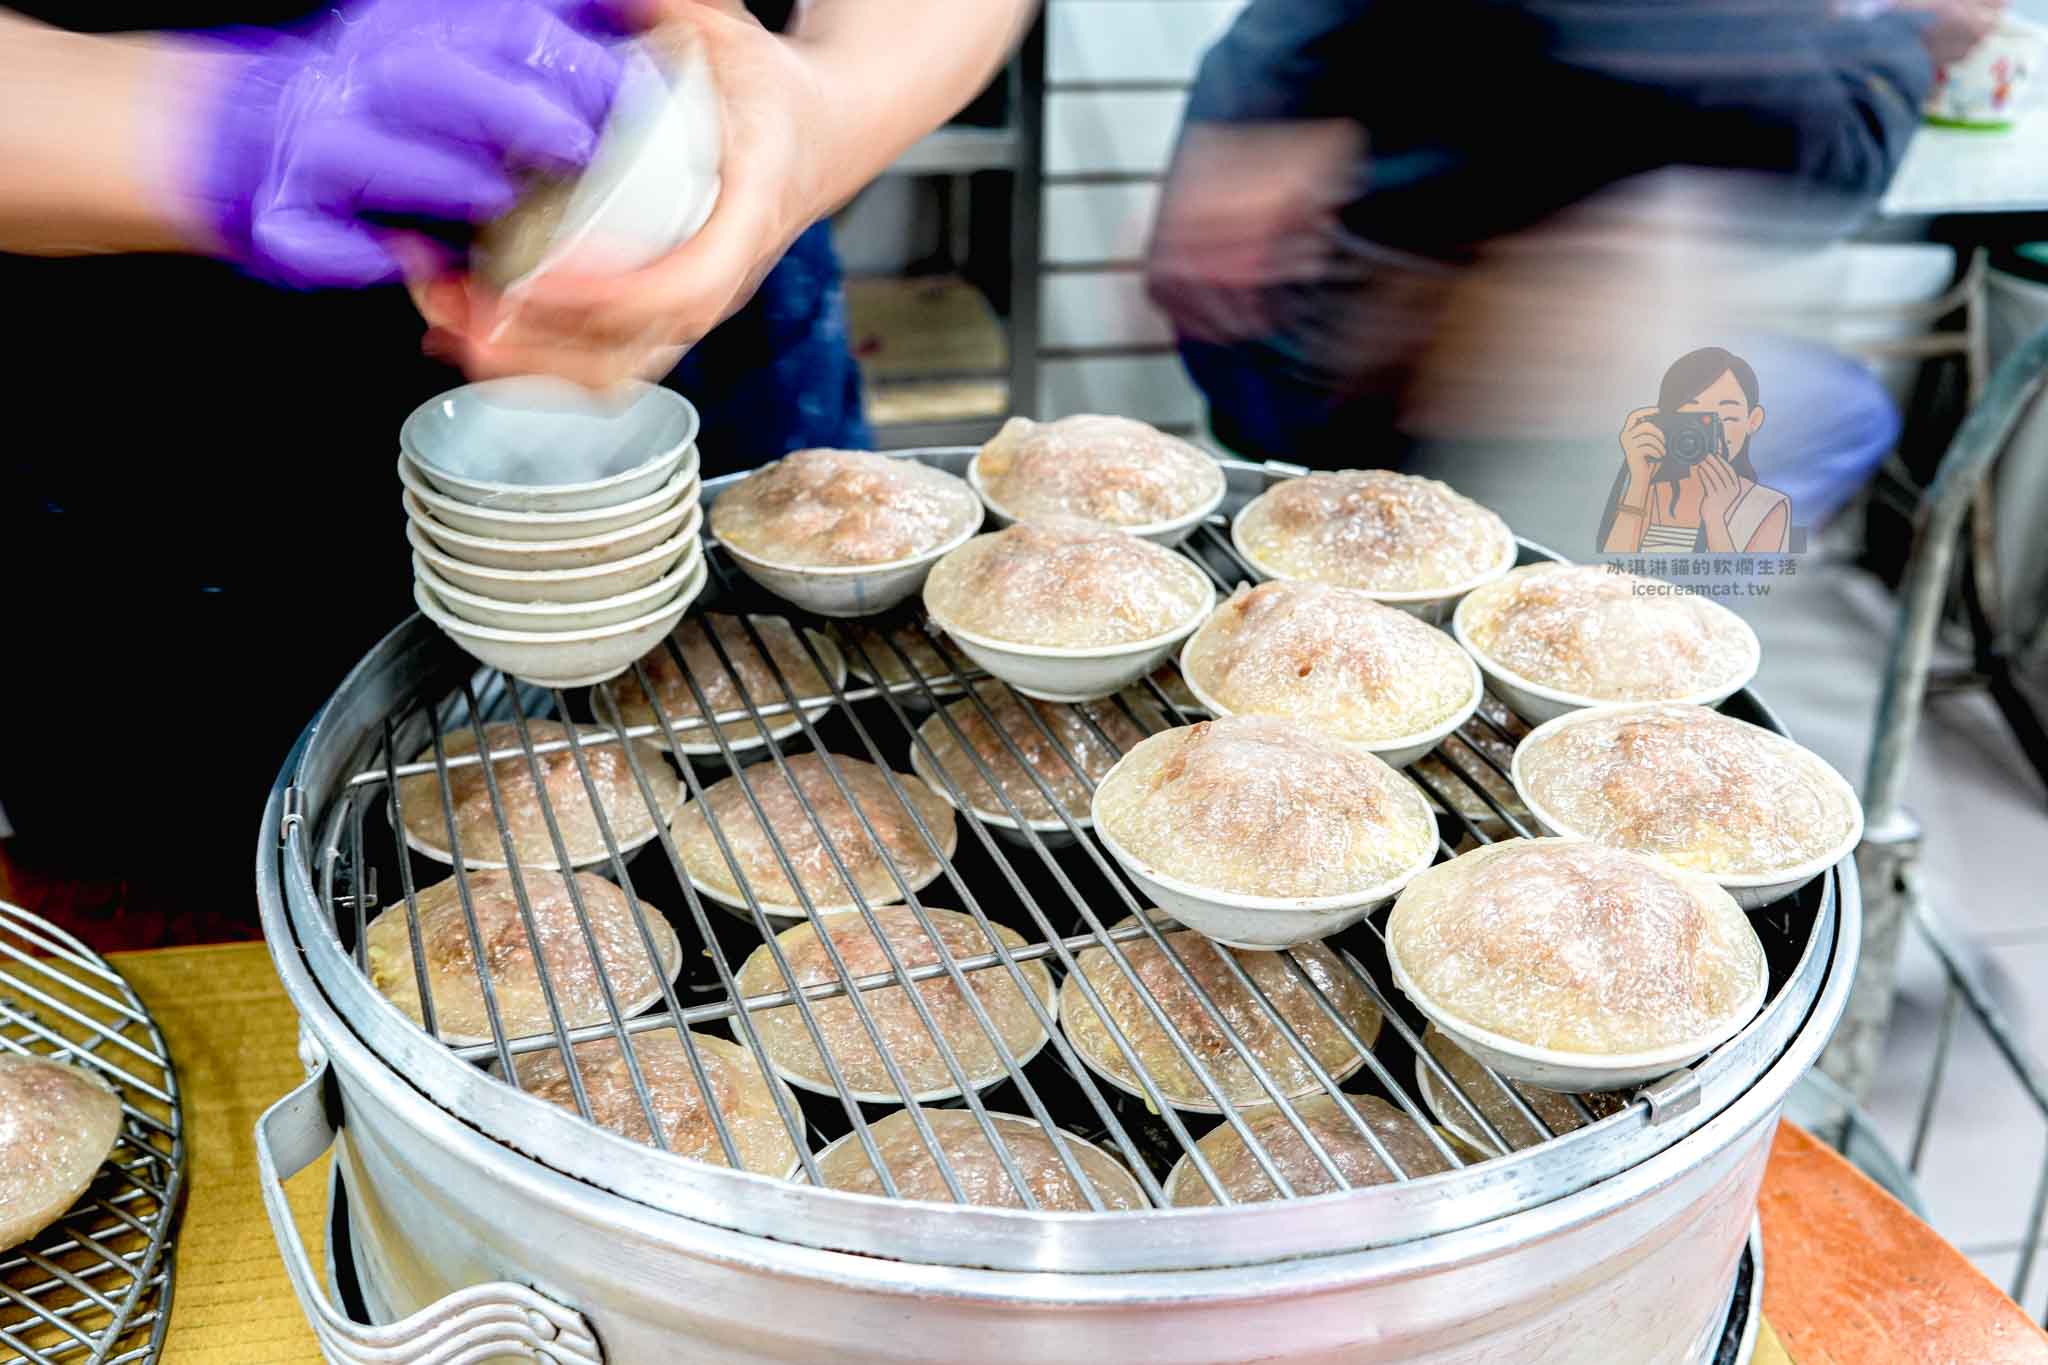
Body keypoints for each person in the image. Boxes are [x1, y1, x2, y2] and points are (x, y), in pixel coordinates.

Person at [0, 0, 1033, 945]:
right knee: (226, 956)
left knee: (809, 903)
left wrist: (827, 107)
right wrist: (216, 124)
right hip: (155, 470)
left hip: (704, 284)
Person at [1144, 0, 2004, 470]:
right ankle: (1607, 688)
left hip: (1273, 333)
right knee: (1841, 413)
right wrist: (1909, 39)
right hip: (1402, 387)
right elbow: (1825, 157)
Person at [1600, 347, 1792, 555]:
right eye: (1692, 421)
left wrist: (1715, 519)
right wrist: (1638, 480)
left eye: (1726, 418)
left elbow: (1747, 583)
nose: (1703, 437)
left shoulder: (1766, 506)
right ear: (1664, 420)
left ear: (1753, 421)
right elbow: (1613, 571)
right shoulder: (1643, 490)